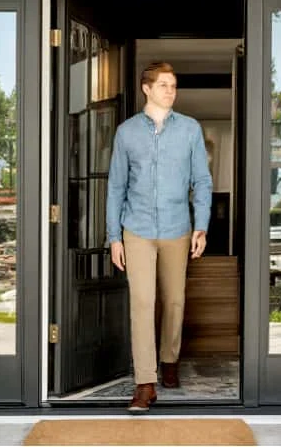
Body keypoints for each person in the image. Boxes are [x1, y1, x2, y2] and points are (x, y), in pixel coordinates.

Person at [106, 62, 213, 413]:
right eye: (164, 85)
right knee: (141, 303)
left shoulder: (190, 130)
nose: (171, 91)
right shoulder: (126, 133)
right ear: (146, 89)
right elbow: (116, 186)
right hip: (135, 229)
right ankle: (145, 383)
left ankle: (169, 360)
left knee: (174, 301)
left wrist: (202, 226)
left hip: (177, 228)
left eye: (174, 86)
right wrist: (114, 237)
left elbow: (202, 180)